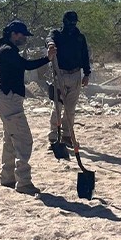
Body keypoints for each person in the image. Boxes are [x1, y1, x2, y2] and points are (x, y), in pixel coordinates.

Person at [0, 20, 56, 193]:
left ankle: (7, 177)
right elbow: (26, 65)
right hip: (9, 98)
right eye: (22, 35)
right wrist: (47, 59)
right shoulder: (8, 51)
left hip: (6, 98)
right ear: (14, 34)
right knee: (24, 139)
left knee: (10, 138)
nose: (24, 39)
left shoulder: (7, 49)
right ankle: (23, 182)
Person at [47, 10, 91, 147]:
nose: (71, 25)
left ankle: (67, 135)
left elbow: (85, 56)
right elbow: (49, 39)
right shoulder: (56, 34)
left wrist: (87, 73)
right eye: (69, 22)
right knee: (57, 106)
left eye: (74, 22)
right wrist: (50, 45)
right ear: (64, 22)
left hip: (76, 74)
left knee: (70, 108)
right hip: (59, 74)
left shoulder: (80, 37)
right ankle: (54, 135)